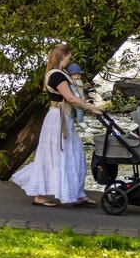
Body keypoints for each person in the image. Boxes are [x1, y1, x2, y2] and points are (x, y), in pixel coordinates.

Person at [12, 44, 100, 207]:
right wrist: (91, 107)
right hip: (59, 119)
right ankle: (41, 195)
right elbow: (71, 98)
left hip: (61, 118)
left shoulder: (59, 74)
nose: (70, 60)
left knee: (73, 154)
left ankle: (76, 194)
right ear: (63, 57)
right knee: (59, 155)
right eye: (69, 57)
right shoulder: (58, 76)